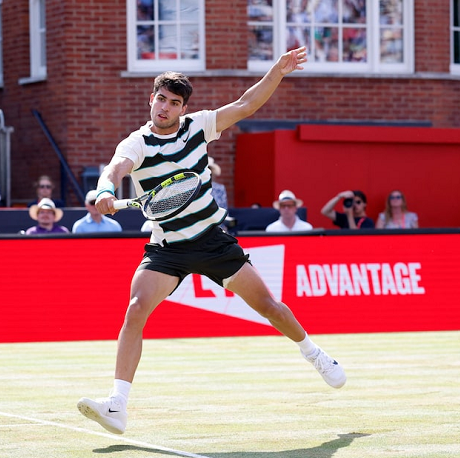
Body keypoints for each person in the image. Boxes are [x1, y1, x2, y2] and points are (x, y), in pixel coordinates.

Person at [76, 47, 346, 436]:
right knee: (135, 309)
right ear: (151, 100)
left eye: (174, 103)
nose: (165, 108)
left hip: (212, 240)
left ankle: (314, 354)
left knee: (269, 306)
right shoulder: (136, 143)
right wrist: (104, 188)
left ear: (182, 108)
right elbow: (116, 168)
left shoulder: (198, 126)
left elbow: (245, 104)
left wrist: (278, 72)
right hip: (167, 248)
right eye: (161, 100)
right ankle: (117, 405)